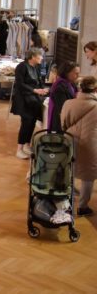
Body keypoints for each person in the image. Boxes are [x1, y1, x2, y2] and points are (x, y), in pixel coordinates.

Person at [61, 77, 97, 216]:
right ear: (95, 89)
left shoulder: (68, 103)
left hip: (70, 140)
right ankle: (83, 207)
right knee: (88, 176)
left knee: (68, 171)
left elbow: (63, 123)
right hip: (91, 144)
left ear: (80, 88)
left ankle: (65, 203)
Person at [10, 48, 48, 159]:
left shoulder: (36, 67)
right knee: (26, 123)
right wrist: (35, 90)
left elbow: (38, 81)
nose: (42, 58)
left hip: (33, 99)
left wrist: (43, 89)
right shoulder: (21, 67)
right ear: (33, 57)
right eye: (40, 56)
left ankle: (27, 145)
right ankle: (19, 149)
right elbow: (20, 84)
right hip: (24, 100)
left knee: (32, 122)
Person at [47, 61, 80, 133]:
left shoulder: (71, 83)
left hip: (68, 118)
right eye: (76, 73)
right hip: (60, 121)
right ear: (66, 73)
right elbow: (62, 108)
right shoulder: (59, 87)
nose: (78, 76)